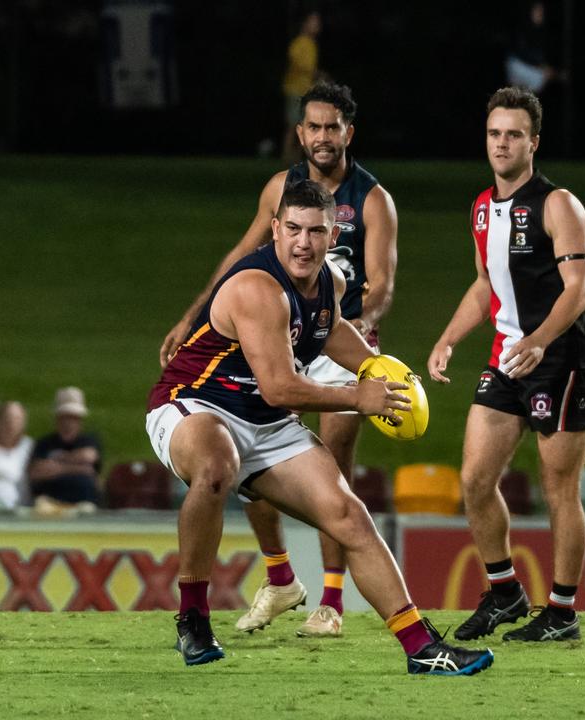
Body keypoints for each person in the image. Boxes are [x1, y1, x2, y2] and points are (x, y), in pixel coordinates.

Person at [147, 179, 492, 675]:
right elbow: (281, 389)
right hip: (195, 404)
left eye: (315, 231)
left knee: (349, 516)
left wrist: (379, 370)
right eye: (292, 229)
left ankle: (422, 648)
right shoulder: (256, 289)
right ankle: (193, 619)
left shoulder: (331, 280)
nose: (303, 243)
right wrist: (360, 397)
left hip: (264, 421)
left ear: (333, 236)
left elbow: (329, 332)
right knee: (216, 465)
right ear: (274, 230)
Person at [160, 82, 398, 638]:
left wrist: (360, 340)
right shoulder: (279, 189)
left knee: (331, 466)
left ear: (348, 133)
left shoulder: (370, 198)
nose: (321, 136)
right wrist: (193, 313)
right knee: (244, 452)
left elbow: (382, 283)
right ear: (300, 133)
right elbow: (241, 257)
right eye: (312, 127)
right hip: (274, 334)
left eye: (331, 127)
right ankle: (280, 576)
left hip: (335, 330)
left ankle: (333, 601)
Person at [429, 87, 585, 643]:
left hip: (559, 361)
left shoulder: (558, 204)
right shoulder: (481, 207)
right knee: (475, 479)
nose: (502, 143)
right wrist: (448, 338)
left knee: (558, 490)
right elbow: (485, 284)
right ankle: (504, 593)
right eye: (495, 134)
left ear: (533, 142)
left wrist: (543, 341)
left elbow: (579, 289)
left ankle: (562, 613)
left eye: (514, 135)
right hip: (504, 360)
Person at [26, 387, 101, 514]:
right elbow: (36, 472)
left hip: (83, 502)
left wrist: (56, 462)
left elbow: (90, 460)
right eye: (65, 417)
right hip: (50, 502)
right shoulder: (44, 443)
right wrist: (77, 467)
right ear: (58, 418)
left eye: (73, 418)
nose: (69, 423)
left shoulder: (89, 441)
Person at [281, 11, 321, 162]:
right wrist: (316, 74)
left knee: (303, 127)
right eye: (313, 22)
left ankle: (296, 160)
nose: (317, 26)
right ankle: (285, 159)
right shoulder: (299, 43)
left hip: (305, 91)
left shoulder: (311, 44)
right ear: (305, 24)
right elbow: (299, 64)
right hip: (294, 89)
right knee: (292, 125)